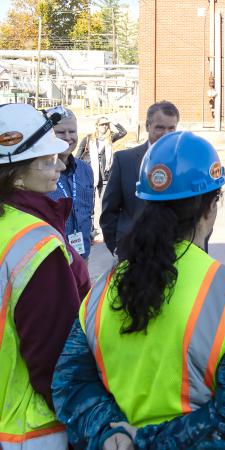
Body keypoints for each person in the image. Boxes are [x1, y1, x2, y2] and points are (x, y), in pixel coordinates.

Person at [52, 131, 225, 450]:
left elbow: (69, 382)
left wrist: (111, 433)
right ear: (211, 207)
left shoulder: (103, 289)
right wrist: (149, 442)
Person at [0, 103, 90, 449]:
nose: (61, 163)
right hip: (31, 430)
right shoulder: (37, 244)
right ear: (16, 172)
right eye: (48, 159)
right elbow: (54, 357)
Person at [100, 101, 179, 255]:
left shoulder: (185, 162)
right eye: (160, 128)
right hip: (132, 251)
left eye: (171, 128)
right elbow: (110, 210)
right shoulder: (124, 160)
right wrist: (116, 248)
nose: (166, 134)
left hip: (174, 250)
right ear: (148, 126)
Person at [46, 107, 95, 260]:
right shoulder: (39, 173)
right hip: (52, 259)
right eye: (60, 132)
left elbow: (88, 211)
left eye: (72, 132)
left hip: (82, 256)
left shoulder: (85, 170)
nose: (68, 137)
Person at [76, 116, 126, 196]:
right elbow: (77, 156)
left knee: (103, 199)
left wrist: (113, 121)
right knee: (89, 198)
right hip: (89, 172)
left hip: (104, 173)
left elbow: (123, 132)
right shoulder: (88, 138)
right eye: (102, 124)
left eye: (106, 124)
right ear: (97, 126)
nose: (104, 126)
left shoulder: (110, 137)